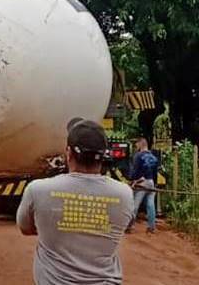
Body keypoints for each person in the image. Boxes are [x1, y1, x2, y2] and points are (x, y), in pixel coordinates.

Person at [17, 118, 134, 285]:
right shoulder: (124, 194)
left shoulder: (37, 190)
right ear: (104, 155)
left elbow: (25, 228)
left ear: (69, 153)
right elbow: (125, 226)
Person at [126, 137, 159, 234]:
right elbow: (155, 173)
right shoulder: (154, 157)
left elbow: (135, 171)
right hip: (151, 182)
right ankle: (151, 227)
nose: (136, 147)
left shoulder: (138, 156)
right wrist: (155, 184)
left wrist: (131, 180)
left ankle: (129, 226)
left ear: (141, 144)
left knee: (135, 205)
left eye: (137, 145)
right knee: (150, 205)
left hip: (142, 183)